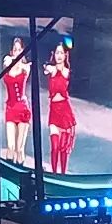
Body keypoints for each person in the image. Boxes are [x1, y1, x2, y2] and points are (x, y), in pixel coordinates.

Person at [44, 43, 76, 174]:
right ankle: (54, 173)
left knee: (63, 148)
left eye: (61, 53)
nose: (59, 55)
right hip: (54, 111)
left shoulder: (66, 71)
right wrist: (48, 67)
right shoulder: (51, 69)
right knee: (55, 147)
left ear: (65, 55)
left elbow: (65, 73)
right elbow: (47, 69)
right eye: (57, 53)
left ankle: (63, 173)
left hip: (65, 111)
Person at [2, 37, 32, 164]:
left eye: (20, 50)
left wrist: (16, 60)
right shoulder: (7, 65)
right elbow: (5, 63)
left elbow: (23, 65)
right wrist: (9, 60)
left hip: (22, 109)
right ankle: (8, 171)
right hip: (10, 108)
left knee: (19, 149)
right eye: (15, 50)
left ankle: (20, 170)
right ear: (11, 52)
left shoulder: (25, 68)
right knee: (11, 146)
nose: (17, 52)